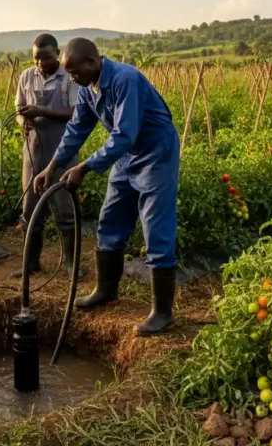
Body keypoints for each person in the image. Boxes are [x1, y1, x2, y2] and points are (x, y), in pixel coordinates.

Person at [34, 37, 179, 336]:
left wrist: (84, 167)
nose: (72, 78)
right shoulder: (89, 88)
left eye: (74, 72)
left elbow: (125, 133)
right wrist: (53, 167)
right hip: (127, 155)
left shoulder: (126, 79)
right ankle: (106, 289)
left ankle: (162, 312)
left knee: (155, 227)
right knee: (110, 219)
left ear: (92, 61)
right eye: (69, 73)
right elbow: (77, 128)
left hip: (155, 152)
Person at [13, 33, 79, 278]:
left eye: (46, 58)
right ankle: (30, 264)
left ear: (57, 53)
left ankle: (71, 266)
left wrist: (41, 111)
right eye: (36, 58)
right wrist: (22, 121)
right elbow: (19, 108)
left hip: (62, 149)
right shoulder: (26, 76)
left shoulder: (68, 77)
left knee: (65, 210)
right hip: (33, 151)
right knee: (30, 210)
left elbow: (74, 112)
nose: (40, 63)